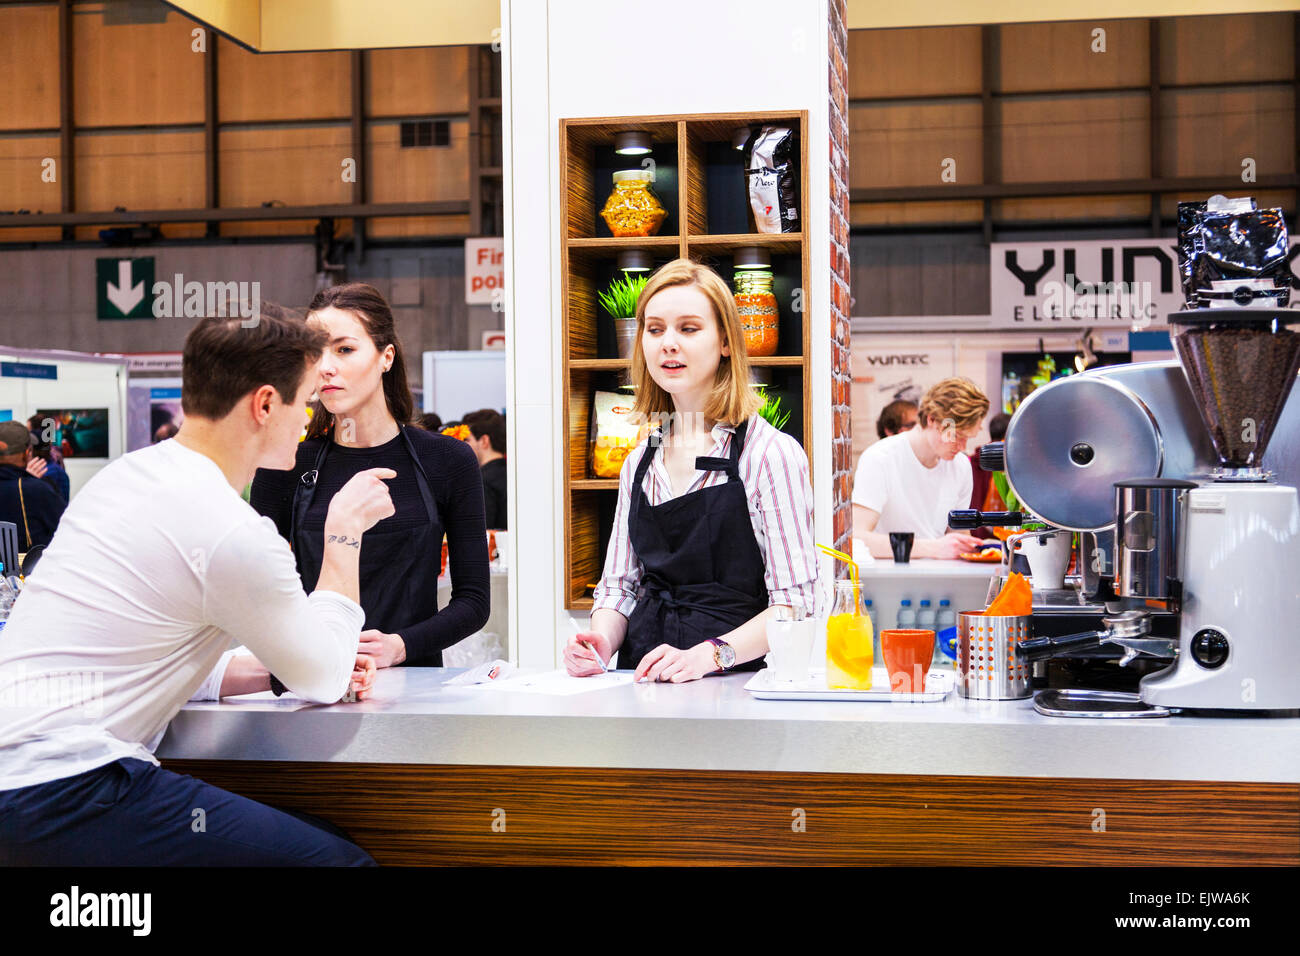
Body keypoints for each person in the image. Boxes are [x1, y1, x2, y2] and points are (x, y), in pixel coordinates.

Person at [0, 307, 388, 865]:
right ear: (263, 405)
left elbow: (140, 645)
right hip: (64, 788)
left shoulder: (124, 478)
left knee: (320, 837)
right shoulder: (230, 528)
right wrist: (345, 534)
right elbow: (325, 676)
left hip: (30, 781)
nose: (306, 421)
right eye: (302, 402)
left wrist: (267, 670)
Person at [564, 259, 816, 683]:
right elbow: (618, 586)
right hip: (643, 681)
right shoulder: (639, 462)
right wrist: (603, 642)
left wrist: (709, 656)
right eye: (655, 328)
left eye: (689, 328)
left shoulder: (769, 455)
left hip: (736, 687)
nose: (668, 344)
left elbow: (796, 603)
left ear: (725, 342)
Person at [249, 282, 489, 671]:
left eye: (344, 349)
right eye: (315, 352)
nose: (326, 366)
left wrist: (400, 646)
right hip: (313, 689)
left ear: (386, 357)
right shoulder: (286, 467)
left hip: (417, 693)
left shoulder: (448, 460)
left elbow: (474, 601)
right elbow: (258, 594)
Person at [852, 377, 989, 560]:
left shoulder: (961, 466)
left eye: (968, 438)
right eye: (956, 435)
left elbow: (959, 535)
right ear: (932, 419)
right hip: (888, 580)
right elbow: (857, 538)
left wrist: (980, 549)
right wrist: (932, 549)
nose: (962, 446)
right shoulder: (880, 458)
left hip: (943, 581)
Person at [0, 421, 66, 551]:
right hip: (26, 569)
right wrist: (29, 481)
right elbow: (66, 530)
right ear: (27, 452)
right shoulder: (37, 490)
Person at [462, 408, 507, 530]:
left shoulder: (481, 481)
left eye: (467, 440)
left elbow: (481, 532)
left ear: (484, 441)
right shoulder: (513, 474)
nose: (464, 445)